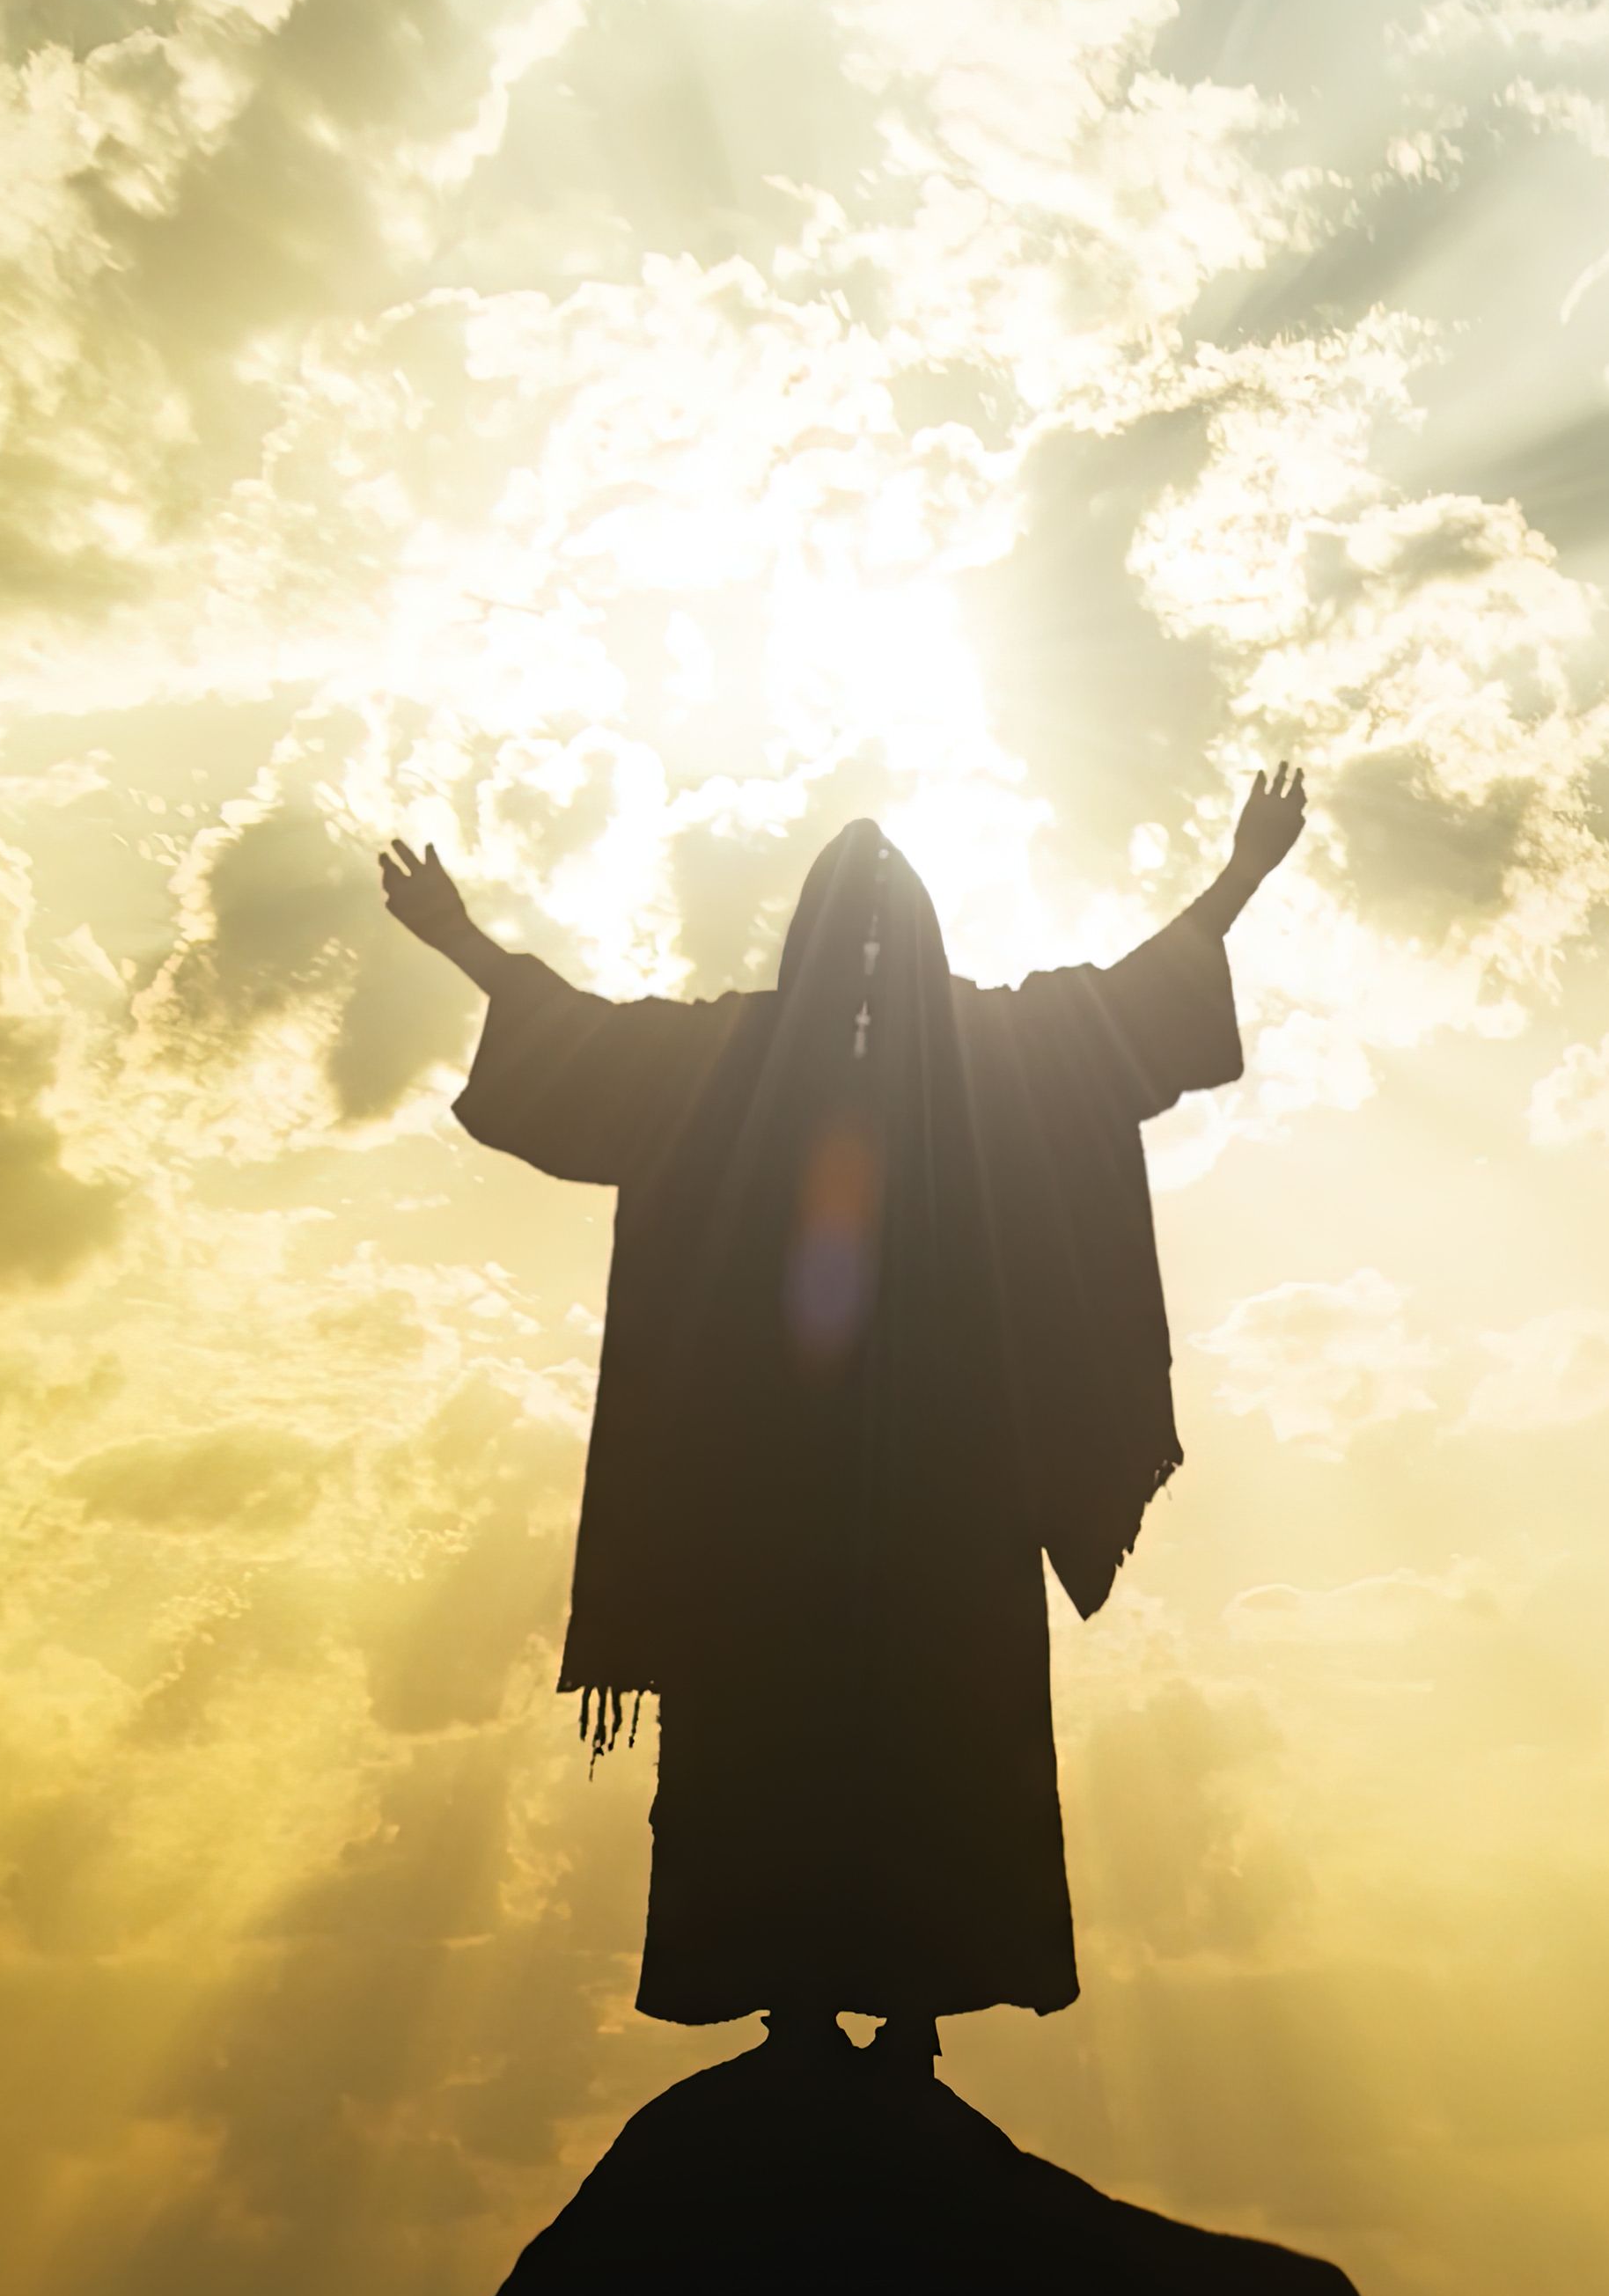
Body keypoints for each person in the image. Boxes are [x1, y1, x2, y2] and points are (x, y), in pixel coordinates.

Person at [376, 774, 1308, 2062]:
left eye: (887, 940)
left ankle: (915, 2010)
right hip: (769, 1500)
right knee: (773, 1743)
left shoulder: (982, 1053)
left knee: (943, 1736)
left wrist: (1243, 870)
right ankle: (796, 2004)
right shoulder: (735, 1060)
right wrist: (461, 940)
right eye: (847, 940)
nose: (868, 966)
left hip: (944, 1492)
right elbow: (574, 1036)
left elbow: (1139, 998)